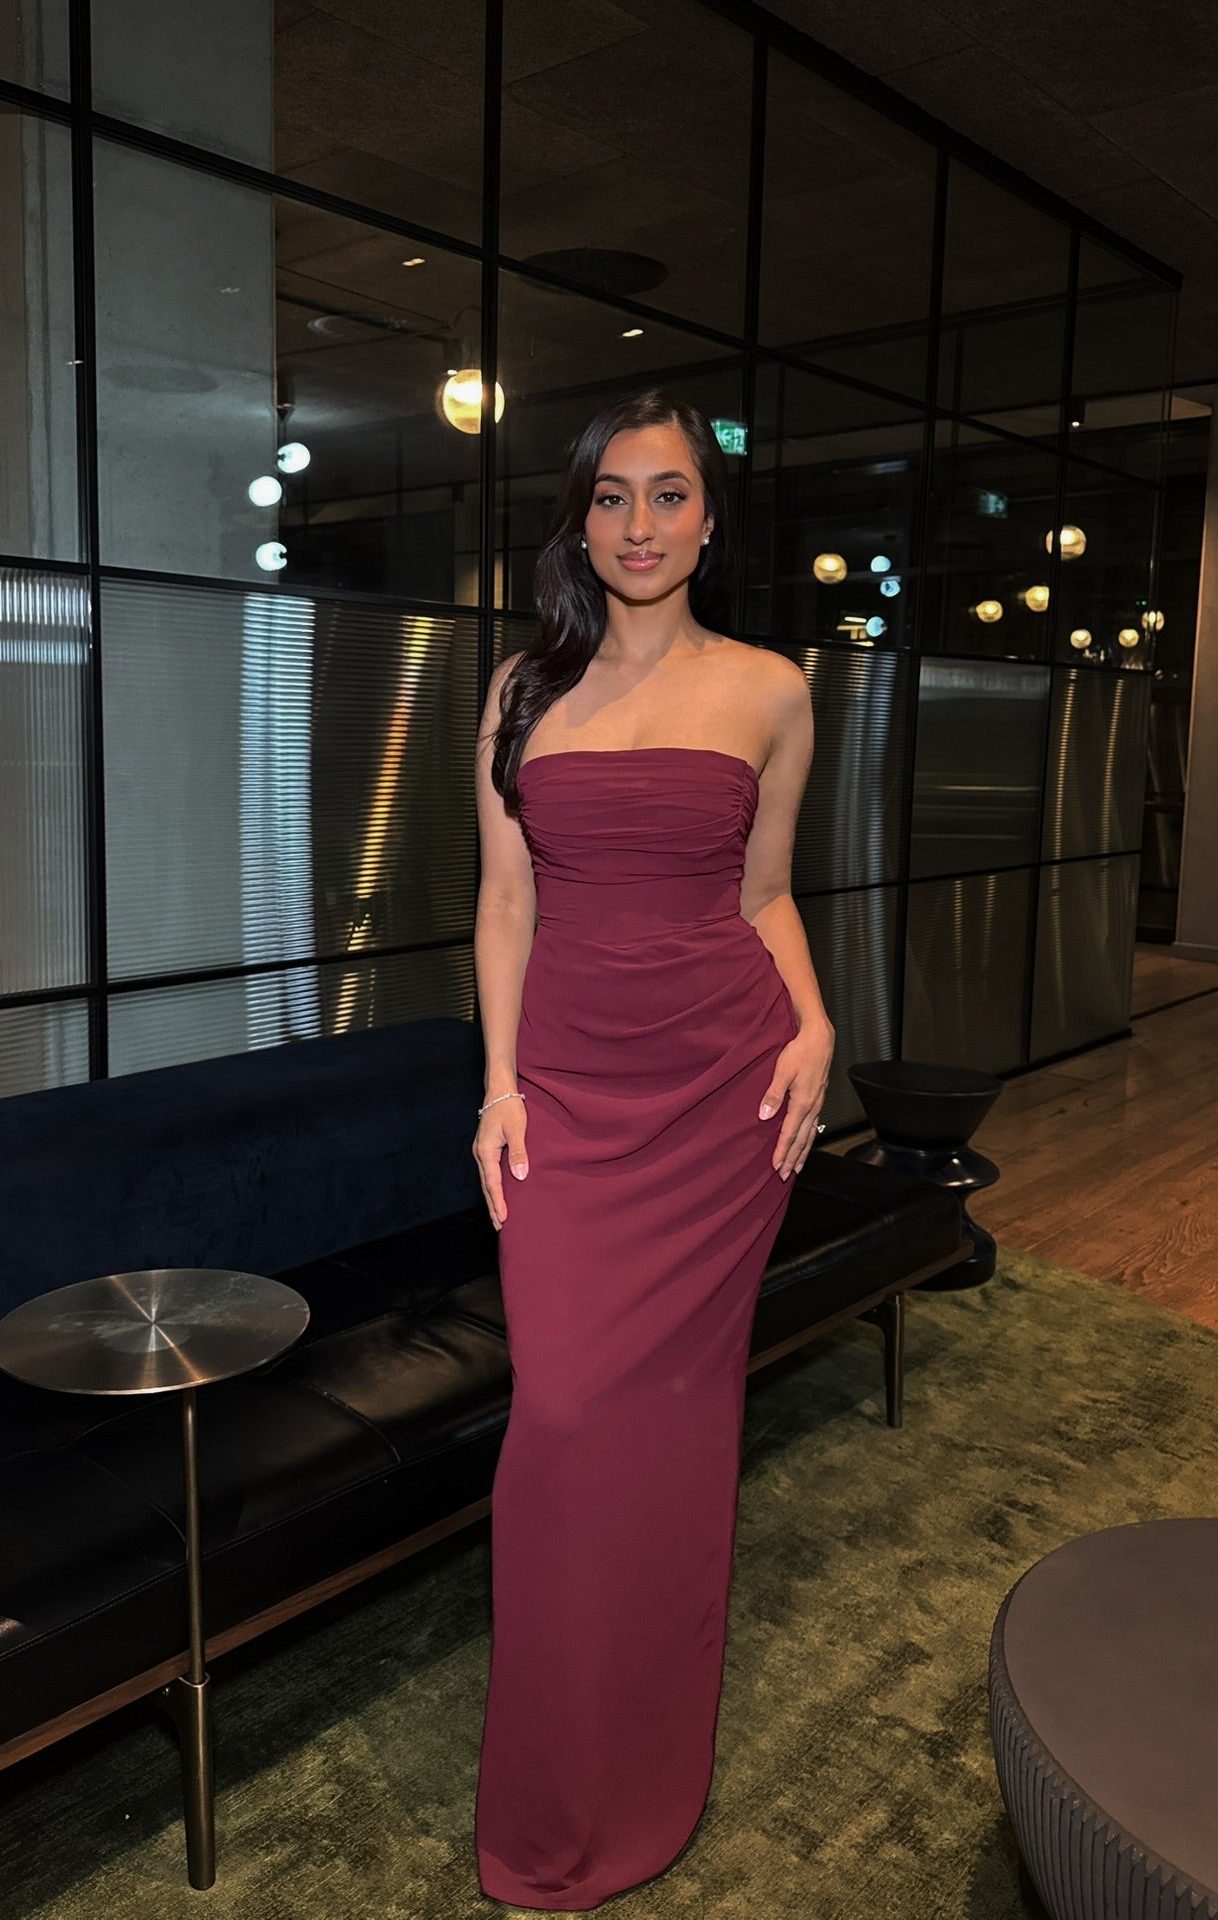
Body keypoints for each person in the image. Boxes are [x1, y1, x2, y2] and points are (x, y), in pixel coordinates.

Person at [470, 388, 835, 1912]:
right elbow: (504, 906)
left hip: (723, 1092)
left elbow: (765, 891)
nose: (639, 525)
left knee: (673, 1436)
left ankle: (645, 1761)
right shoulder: (516, 689)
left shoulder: (772, 688)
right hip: (566, 1094)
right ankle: (555, 1779)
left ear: (709, 516)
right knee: (557, 1414)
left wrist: (814, 1028)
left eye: (669, 495)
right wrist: (496, 1084)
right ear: (579, 516)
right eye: (613, 496)